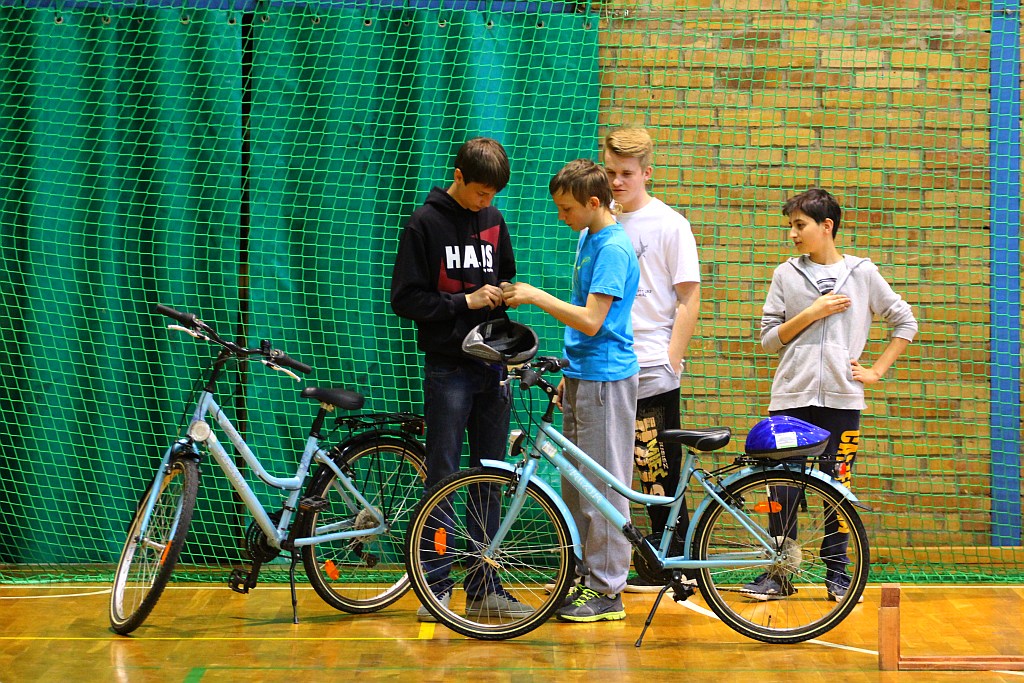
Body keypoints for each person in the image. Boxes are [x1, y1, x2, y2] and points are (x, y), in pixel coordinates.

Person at [744, 187, 918, 602]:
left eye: (799, 225)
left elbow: (905, 321)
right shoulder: (785, 274)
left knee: (836, 487)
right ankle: (779, 573)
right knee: (782, 490)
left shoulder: (863, 273)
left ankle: (838, 572)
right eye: (790, 226)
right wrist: (812, 312)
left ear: (827, 226)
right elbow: (769, 339)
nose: (792, 234)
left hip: (842, 402)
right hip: (790, 400)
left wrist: (876, 370)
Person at [389, 137, 532, 621]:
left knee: (491, 477)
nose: (485, 202)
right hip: (448, 368)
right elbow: (405, 299)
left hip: (491, 365)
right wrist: (463, 302)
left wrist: (505, 294)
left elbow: (507, 275)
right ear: (458, 176)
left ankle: (484, 585)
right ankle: (435, 586)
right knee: (444, 479)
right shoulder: (424, 224)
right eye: (479, 192)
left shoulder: (493, 220)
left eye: (492, 195)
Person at [502, 159, 640, 623]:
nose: (562, 217)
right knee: (577, 484)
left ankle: (608, 589)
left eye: (567, 209)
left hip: (607, 380)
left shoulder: (614, 248)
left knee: (603, 487)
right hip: (583, 373)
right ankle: (587, 575)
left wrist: (535, 296)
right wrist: (570, 368)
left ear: (594, 202)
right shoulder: (588, 237)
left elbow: (592, 320)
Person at [603, 127, 701, 592]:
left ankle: (673, 564)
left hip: (651, 365)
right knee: (607, 470)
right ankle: (609, 566)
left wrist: (671, 360)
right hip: (606, 365)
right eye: (610, 172)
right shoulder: (600, 222)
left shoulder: (670, 224)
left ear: (647, 173)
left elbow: (689, 298)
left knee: (657, 467)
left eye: (626, 173)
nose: (617, 182)